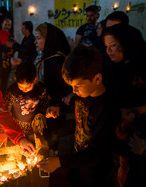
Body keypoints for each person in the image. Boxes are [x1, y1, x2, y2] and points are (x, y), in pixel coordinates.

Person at [39, 45, 121, 186]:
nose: (74, 91)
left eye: (78, 86)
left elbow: (97, 151)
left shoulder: (106, 108)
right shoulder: (83, 94)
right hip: (78, 156)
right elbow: (73, 104)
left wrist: (60, 162)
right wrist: (58, 109)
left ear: (97, 79)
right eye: (71, 86)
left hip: (97, 170)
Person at [102, 23, 146, 187]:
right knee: (125, 167)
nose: (109, 51)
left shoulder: (142, 69)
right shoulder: (112, 70)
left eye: (113, 45)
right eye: (107, 46)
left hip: (141, 134)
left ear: (127, 43)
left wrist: (135, 112)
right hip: (123, 134)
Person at [3, 62, 48, 141]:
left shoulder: (40, 89)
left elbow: (44, 105)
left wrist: (41, 118)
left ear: (35, 79)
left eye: (28, 86)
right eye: (20, 86)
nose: (24, 89)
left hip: (34, 127)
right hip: (17, 126)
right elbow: (6, 109)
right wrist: (6, 128)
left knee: (33, 146)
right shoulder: (12, 92)